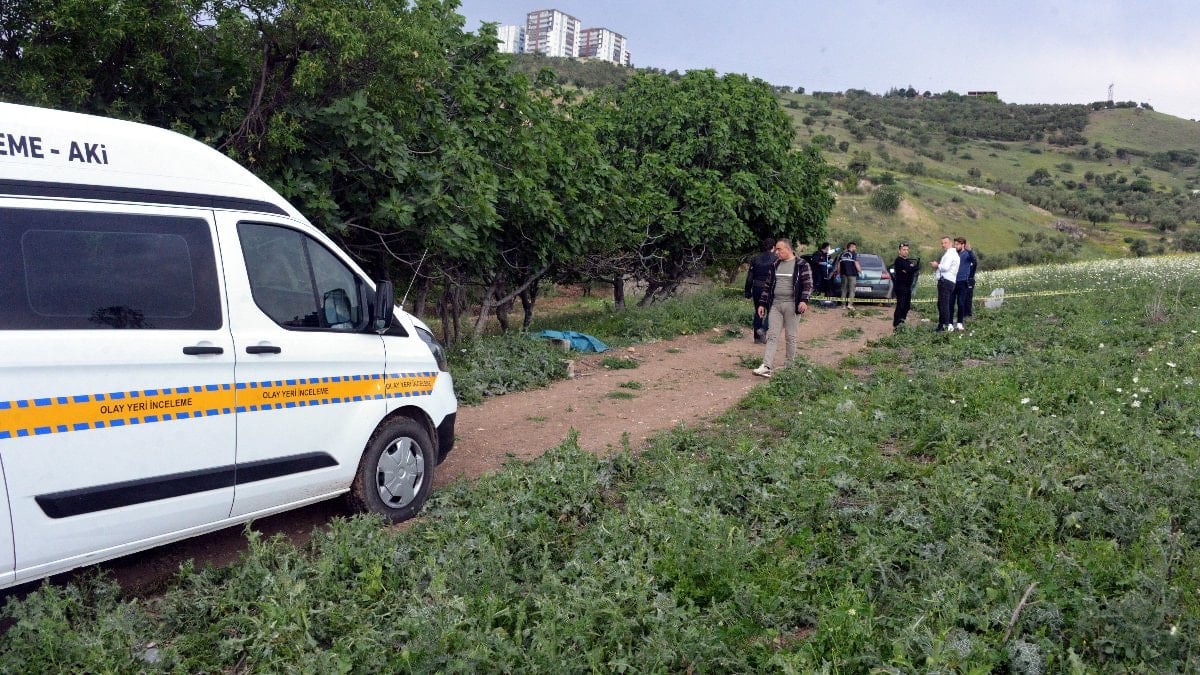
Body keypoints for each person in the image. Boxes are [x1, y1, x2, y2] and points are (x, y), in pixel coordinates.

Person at [752, 238, 813, 378]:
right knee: (772, 336)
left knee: (790, 336)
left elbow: (808, 284)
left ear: (789, 249)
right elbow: (768, 285)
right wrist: (762, 303)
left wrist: (804, 300)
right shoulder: (775, 264)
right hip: (776, 305)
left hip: (792, 304)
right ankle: (766, 366)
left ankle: (789, 366)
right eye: (776, 249)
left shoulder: (801, 264)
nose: (776, 252)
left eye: (779, 249)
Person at [743, 237, 777, 343]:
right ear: (773, 247)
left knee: (758, 311)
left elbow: (750, 277)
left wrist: (747, 291)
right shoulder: (777, 259)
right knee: (772, 312)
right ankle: (765, 334)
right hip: (770, 289)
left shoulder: (755, 259)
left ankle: (757, 338)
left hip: (757, 287)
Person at [930, 236, 960, 332]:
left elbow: (946, 267)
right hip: (950, 281)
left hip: (945, 282)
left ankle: (946, 326)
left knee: (943, 304)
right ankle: (942, 325)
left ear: (951, 243)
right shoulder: (954, 254)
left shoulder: (950, 254)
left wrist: (937, 265)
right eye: (942, 243)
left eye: (945, 243)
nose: (943, 245)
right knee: (942, 304)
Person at [890, 242, 920, 330]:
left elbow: (913, 269)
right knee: (901, 305)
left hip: (908, 287)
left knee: (907, 306)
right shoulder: (898, 260)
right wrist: (910, 269)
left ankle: (902, 321)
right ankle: (896, 324)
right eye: (904, 250)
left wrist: (911, 269)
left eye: (907, 250)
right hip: (900, 286)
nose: (906, 251)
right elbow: (910, 269)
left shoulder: (907, 261)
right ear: (899, 251)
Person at [953, 237, 977, 331]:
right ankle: (950, 322)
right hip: (953, 281)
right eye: (955, 244)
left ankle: (960, 321)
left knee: (961, 302)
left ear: (962, 245)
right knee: (951, 302)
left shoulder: (967, 254)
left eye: (957, 244)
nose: (955, 246)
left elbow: (974, 261)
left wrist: (970, 251)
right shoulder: (954, 254)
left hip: (963, 281)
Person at [836, 241, 861, 308]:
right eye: (855, 247)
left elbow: (839, 265)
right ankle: (850, 304)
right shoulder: (854, 254)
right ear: (852, 246)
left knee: (843, 289)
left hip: (843, 274)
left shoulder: (842, 254)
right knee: (852, 290)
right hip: (852, 274)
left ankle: (843, 305)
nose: (855, 248)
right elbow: (856, 263)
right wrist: (860, 271)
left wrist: (838, 273)